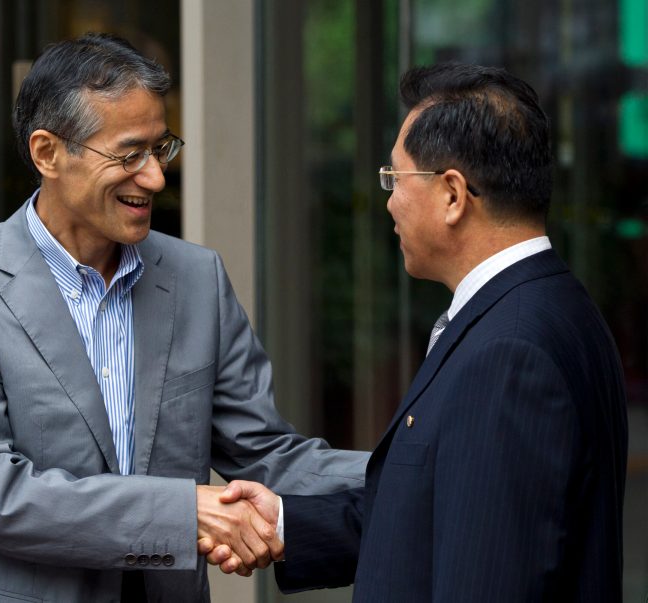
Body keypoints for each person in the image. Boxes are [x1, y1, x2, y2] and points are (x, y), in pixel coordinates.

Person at [0, 33, 369, 603]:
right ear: (47, 153)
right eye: (129, 155)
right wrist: (184, 514)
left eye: (160, 149)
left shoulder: (197, 279)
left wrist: (419, 465)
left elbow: (266, 454)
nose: (156, 178)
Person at [209, 63, 629, 601]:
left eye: (395, 178)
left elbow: (486, 578)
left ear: (453, 194)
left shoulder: (508, 353)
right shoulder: (549, 305)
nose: (389, 201)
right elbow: (438, 511)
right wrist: (286, 522)